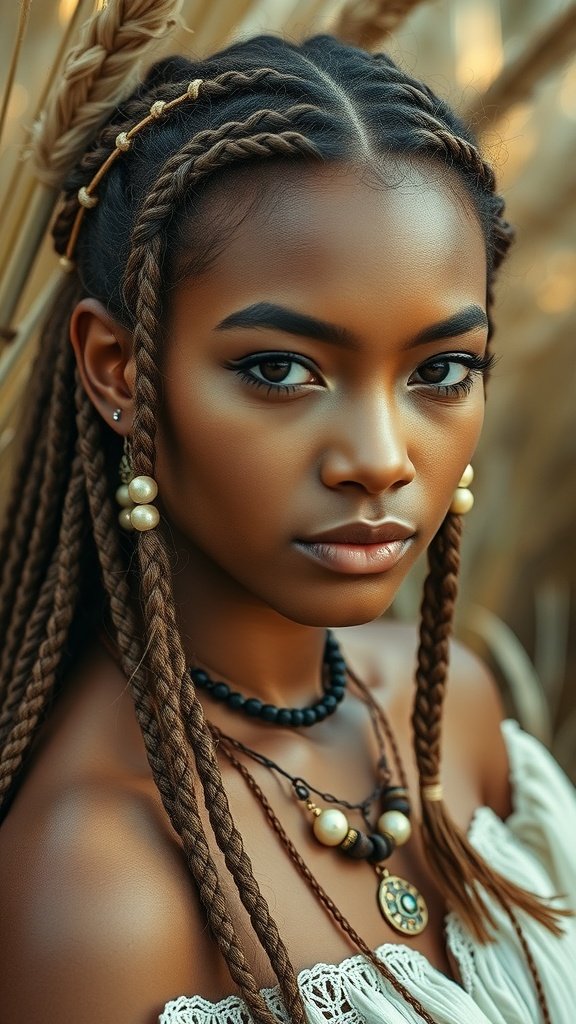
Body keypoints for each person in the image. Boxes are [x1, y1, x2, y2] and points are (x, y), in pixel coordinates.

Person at [0, 12, 575, 1024]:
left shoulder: (451, 711)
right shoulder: (100, 884)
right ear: (119, 371)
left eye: (441, 370)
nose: (381, 460)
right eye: (281, 370)